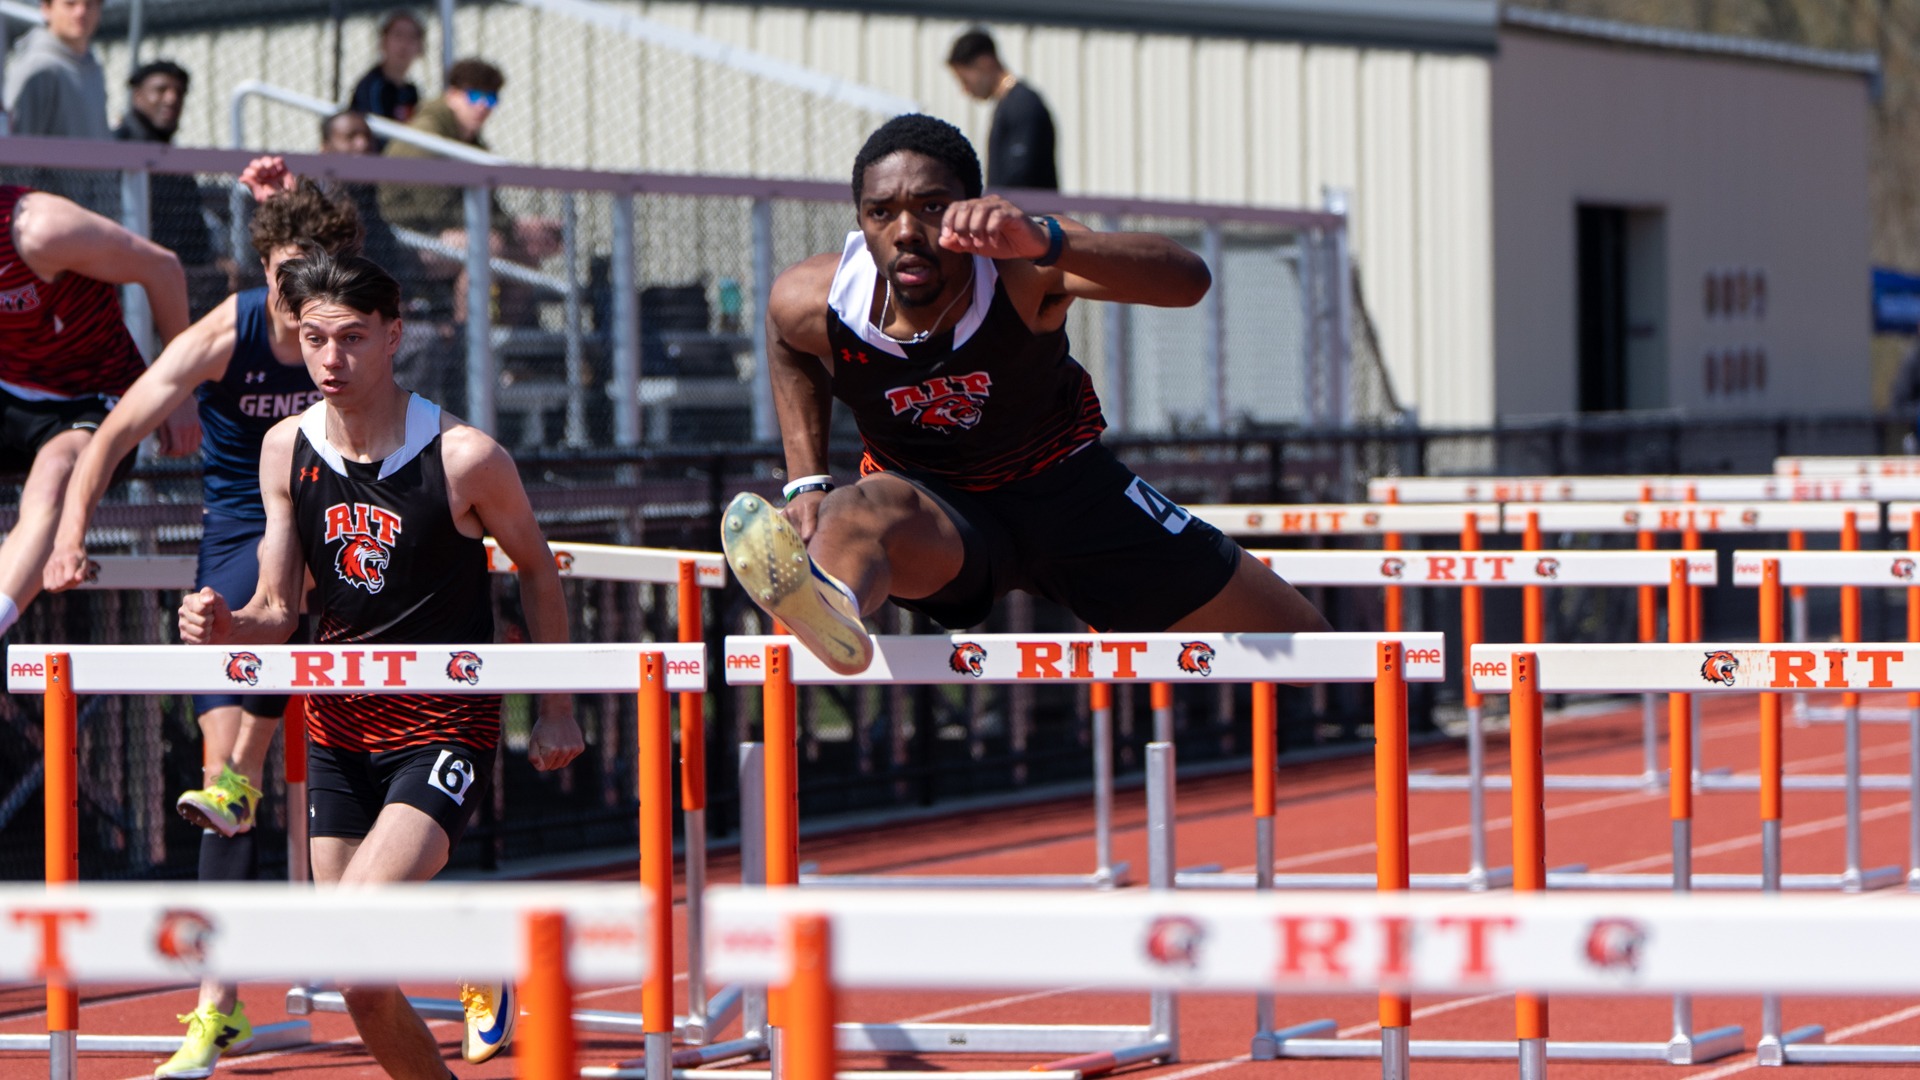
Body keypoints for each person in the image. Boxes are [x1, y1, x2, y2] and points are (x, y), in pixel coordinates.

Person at [719, 114, 1326, 676]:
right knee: (855, 511)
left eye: (932, 208)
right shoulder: (817, 300)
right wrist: (806, 480)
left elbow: (1188, 280)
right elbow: (783, 339)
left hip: (1073, 496)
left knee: (1308, 647)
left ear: (968, 210)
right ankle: (830, 602)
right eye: (882, 213)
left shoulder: (1022, 268)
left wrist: (1046, 241)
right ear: (861, 221)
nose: (906, 232)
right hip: (936, 511)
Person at [177, 252, 584, 1077]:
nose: (332, 359)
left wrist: (557, 704)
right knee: (359, 976)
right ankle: (478, 953)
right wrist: (225, 624)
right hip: (338, 729)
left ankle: (481, 945)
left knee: (353, 921)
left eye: (354, 338)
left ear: (395, 336)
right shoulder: (285, 448)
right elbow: (278, 609)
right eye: (315, 339)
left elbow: (537, 569)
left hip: (442, 725)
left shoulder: (466, 457)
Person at [44, 161, 361, 1080]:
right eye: (282, 277)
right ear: (261, 272)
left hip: (343, 537)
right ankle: (217, 1009)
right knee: (226, 794)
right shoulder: (232, 331)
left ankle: (471, 969)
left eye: (315, 277)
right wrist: (71, 538)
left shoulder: (347, 334)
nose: (300, 299)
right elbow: (111, 435)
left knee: (354, 779)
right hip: (239, 542)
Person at [0, 183, 193, 642]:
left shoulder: (41, 230)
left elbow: (162, 266)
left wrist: (181, 390)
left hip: (90, 395)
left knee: (55, 474)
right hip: (10, 390)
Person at [114, 59, 226, 316]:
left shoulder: (173, 157)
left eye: (179, 92)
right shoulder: (117, 148)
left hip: (180, 279)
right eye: (161, 90)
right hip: (131, 284)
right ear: (137, 95)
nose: (171, 99)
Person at [4, 0, 113, 211]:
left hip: (94, 215)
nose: (81, 12)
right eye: (70, 4)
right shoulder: (37, 69)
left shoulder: (93, 68)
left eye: (90, 4)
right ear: (46, 9)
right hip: (52, 219)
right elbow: (18, 160)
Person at [947, 28, 1058, 192]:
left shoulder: (1022, 103)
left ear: (985, 63)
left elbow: (1019, 176)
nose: (965, 89)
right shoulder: (1008, 104)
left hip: (1029, 214)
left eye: (965, 80)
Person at [349, 8, 423, 148]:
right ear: (383, 41)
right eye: (398, 35)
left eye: (411, 37)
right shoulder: (371, 86)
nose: (404, 45)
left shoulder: (411, 91)